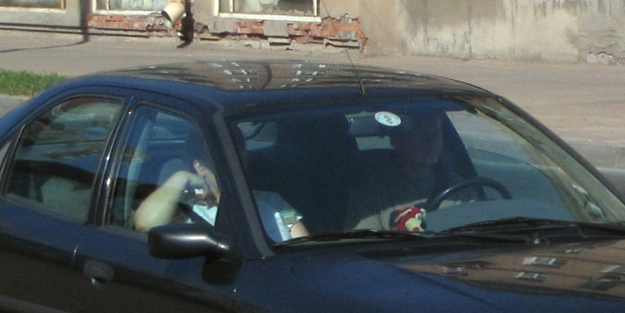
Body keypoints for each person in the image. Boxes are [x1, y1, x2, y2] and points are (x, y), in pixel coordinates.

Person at [134, 157, 308, 242]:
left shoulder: (273, 201)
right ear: (199, 166)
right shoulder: (188, 208)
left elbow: (302, 242)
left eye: (240, 154)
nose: (235, 162)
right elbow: (145, 223)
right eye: (225, 157)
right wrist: (182, 177)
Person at [346, 110, 452, 232]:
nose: (432, 142)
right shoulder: (371, 194)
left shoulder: (459, 190)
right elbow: (363, 244)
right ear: (397, 140)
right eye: (421, 136)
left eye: (436, 134)